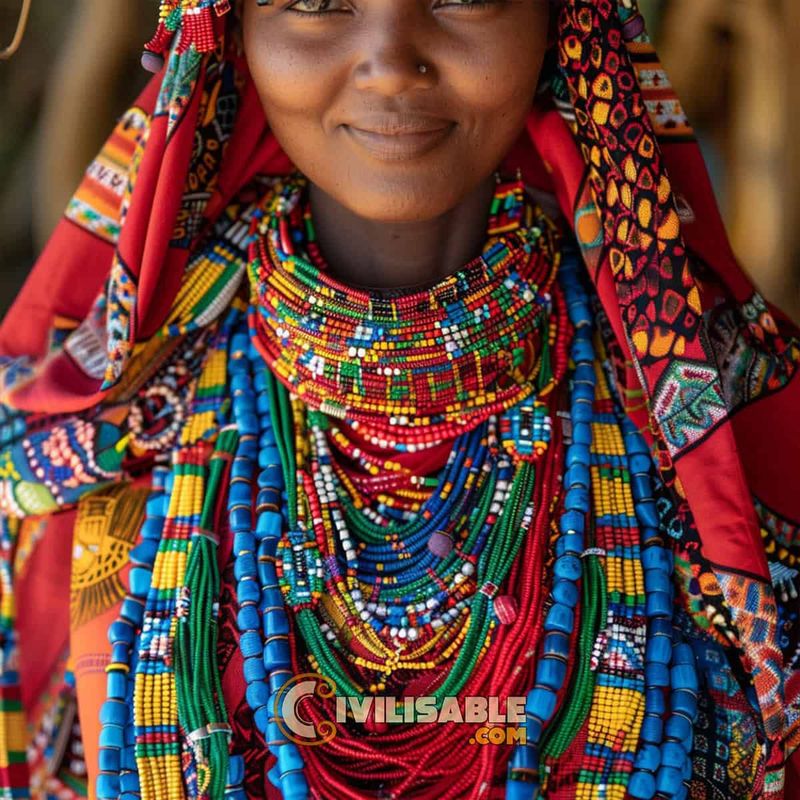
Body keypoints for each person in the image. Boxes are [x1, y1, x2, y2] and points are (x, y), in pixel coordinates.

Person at [0, 1, 798, 798]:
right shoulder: (90, 443)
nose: (390, 61)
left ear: (561, 19)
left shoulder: (731, 434)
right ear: (233, 31)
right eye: (314, 2)